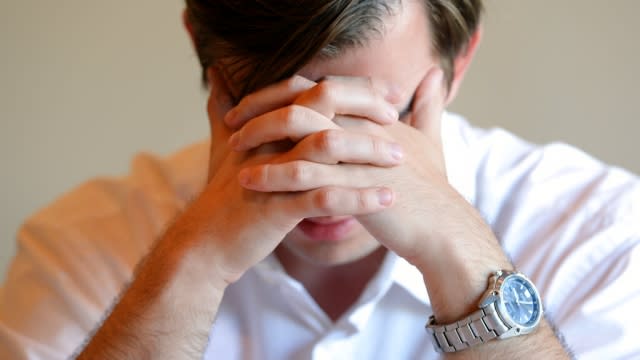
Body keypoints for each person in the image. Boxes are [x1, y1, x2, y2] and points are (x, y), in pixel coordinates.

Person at [1, 0, 638, 358]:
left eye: (375, 121)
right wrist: (191, 269)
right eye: (280, 122)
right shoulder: (78, 248)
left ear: (459, 59)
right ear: (206, 55)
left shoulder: (598, 233)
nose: (323, 177)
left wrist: (460, 257)